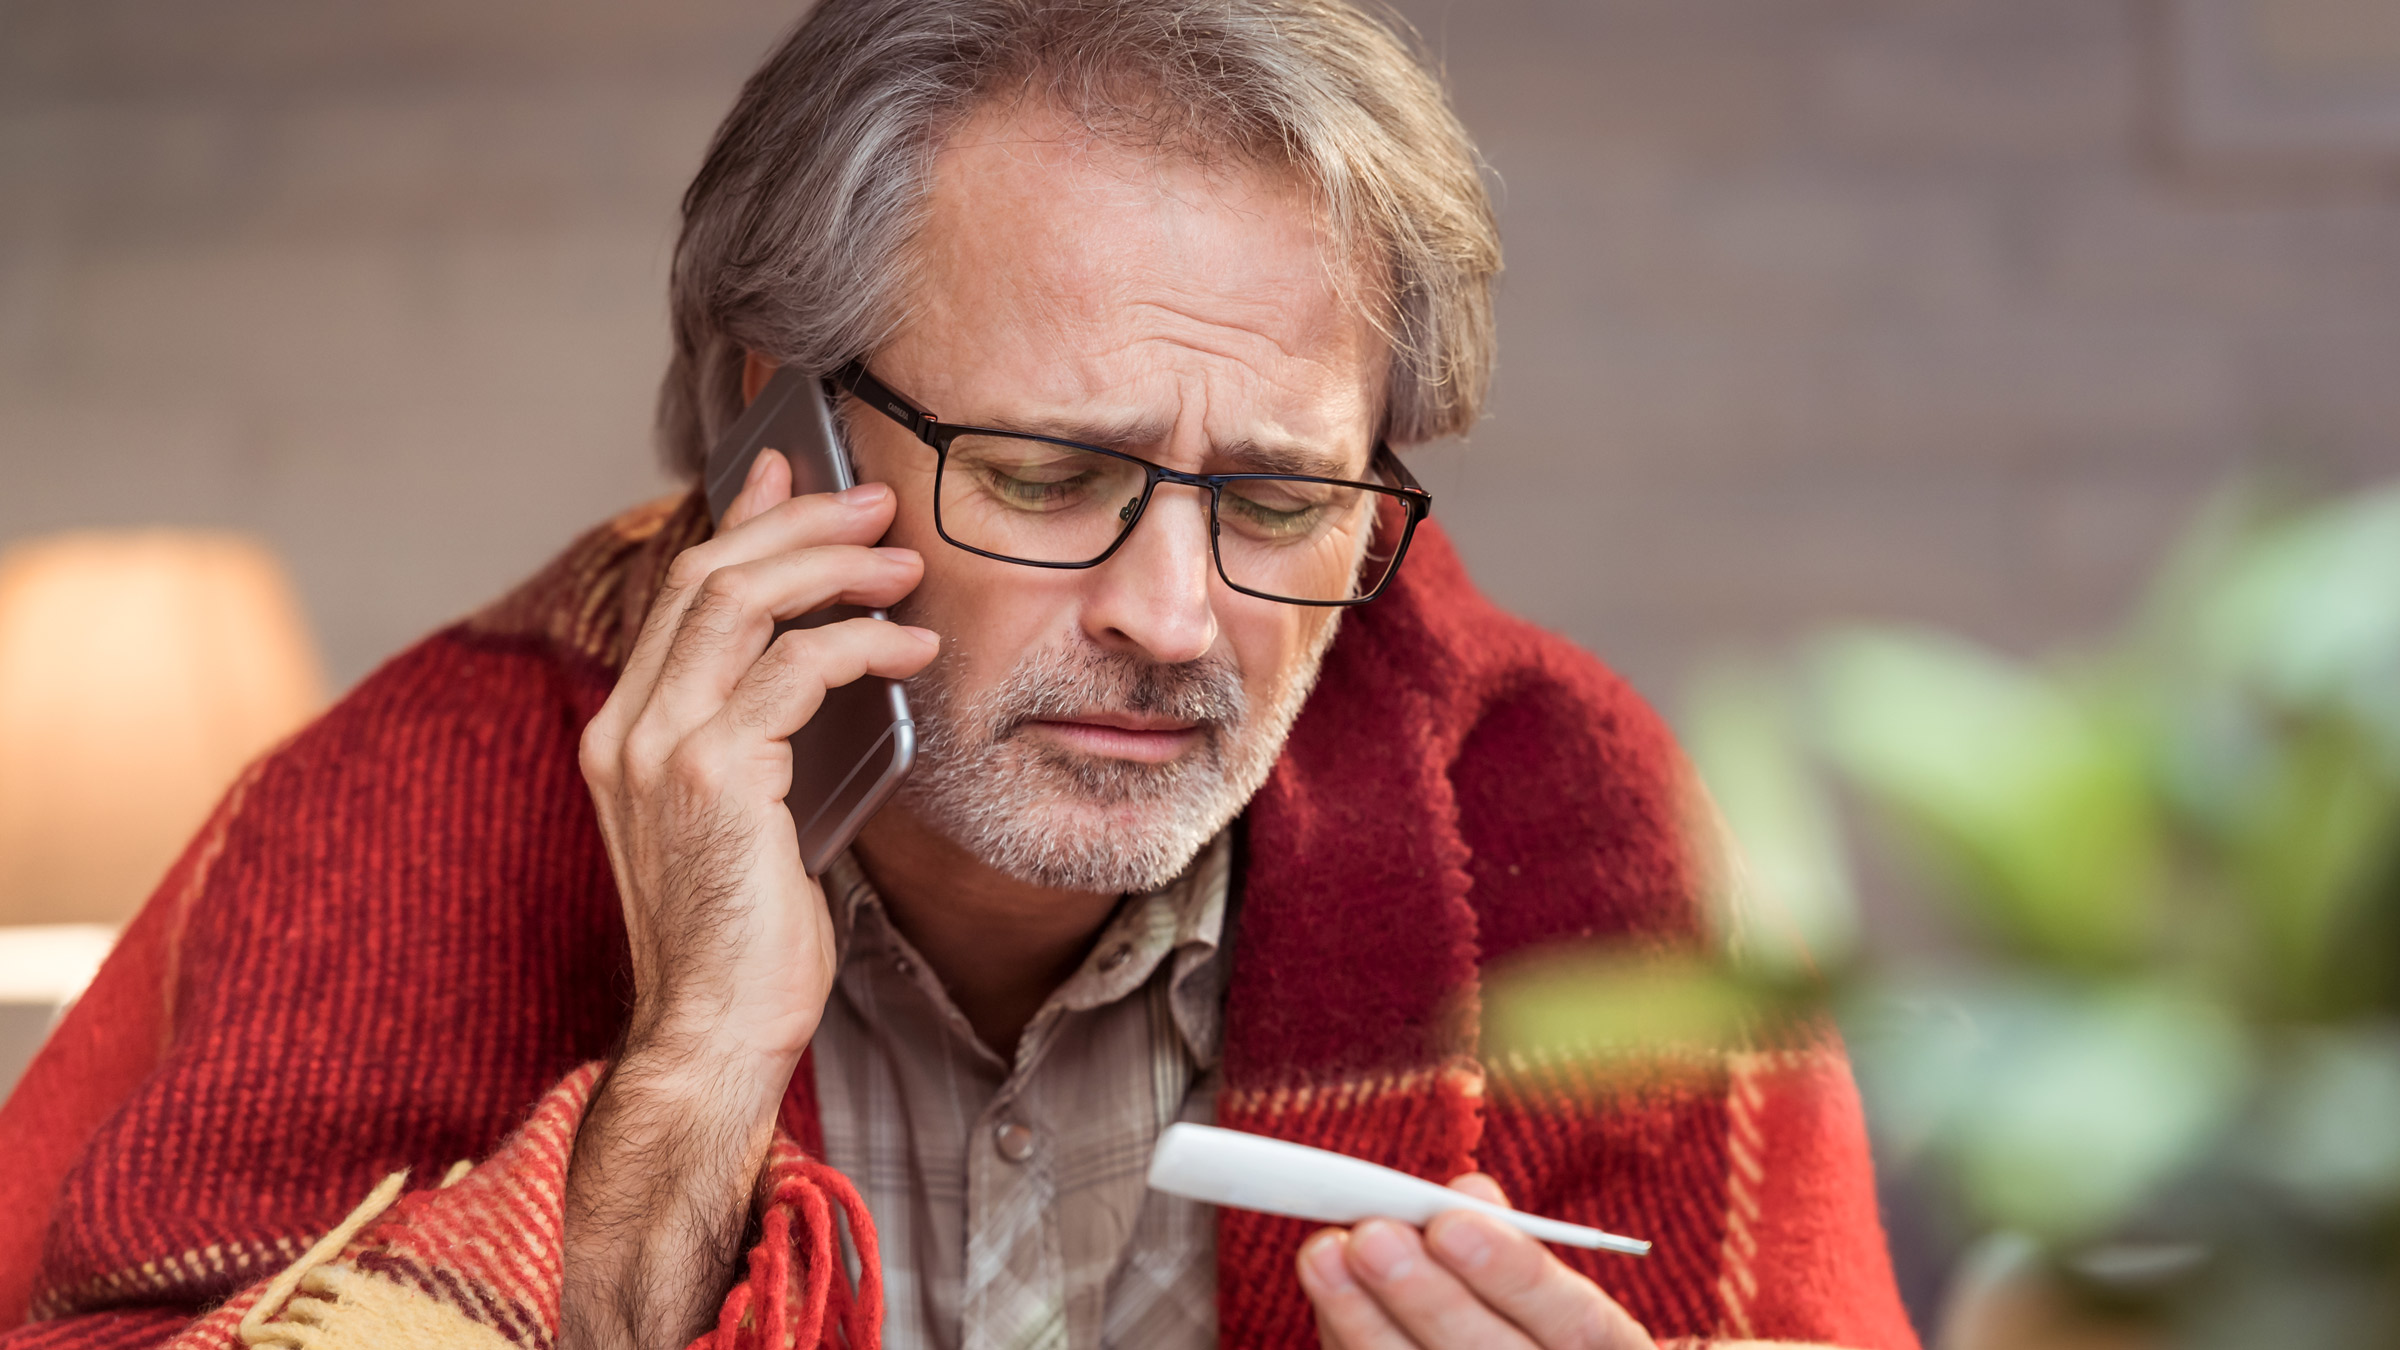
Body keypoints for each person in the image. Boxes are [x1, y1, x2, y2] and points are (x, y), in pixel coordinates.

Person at [0, 2, 1918, 1348]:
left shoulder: (1574, 822)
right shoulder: (405, 810)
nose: (1178, 616)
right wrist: (686, 1090)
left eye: (1277, 497)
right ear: (782, 441)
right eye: (1048, 475)